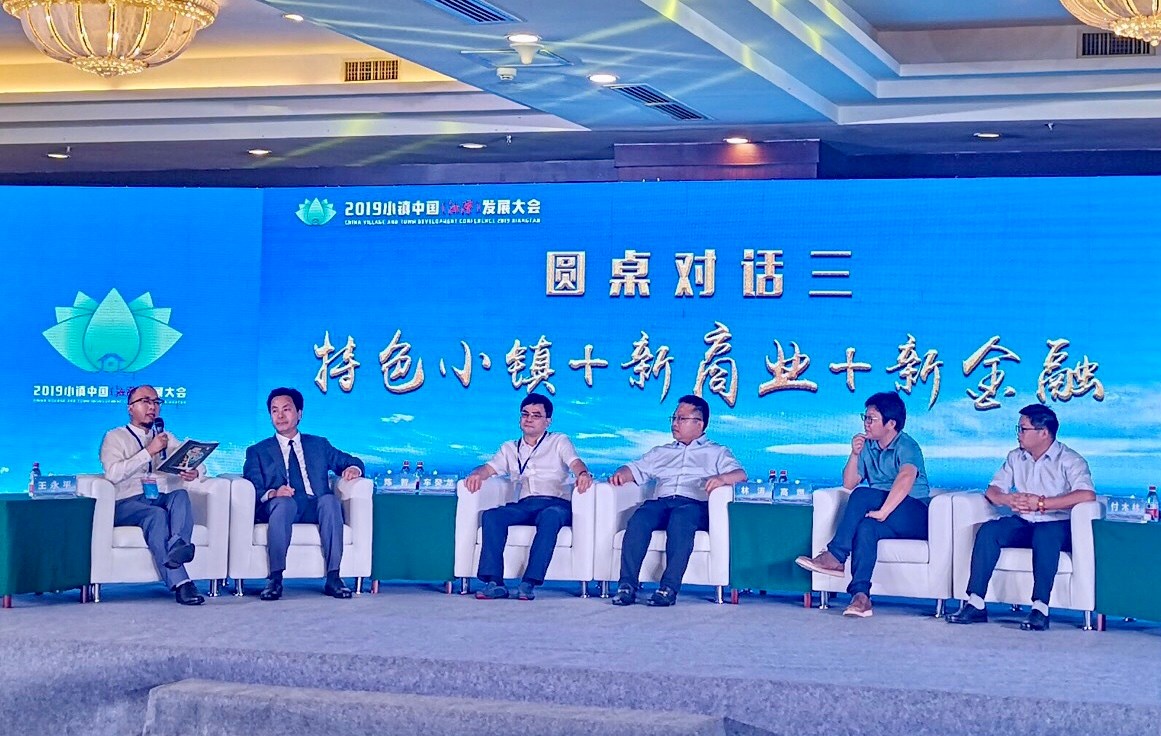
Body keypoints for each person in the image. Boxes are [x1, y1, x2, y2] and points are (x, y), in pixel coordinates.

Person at [946, 404, 1095, 631]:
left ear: (1043, 432)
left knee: (1045, 535)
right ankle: (975, 603)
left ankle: (1040, 609)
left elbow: (1086, 494)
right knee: (990, 531)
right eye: (1019, 428)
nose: (1018, 434)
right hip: (1025, 522)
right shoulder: (1015, 457)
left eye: (1023, 429)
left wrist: (1042, 503)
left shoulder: (1070, 459)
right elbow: (993, 490)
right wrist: (1007, 499)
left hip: (1057, 523)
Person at [795, 391, 930, 618]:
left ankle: (836, 556)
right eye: (865, 417)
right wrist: (855, 454)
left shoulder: (907, 445)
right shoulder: (868, 446)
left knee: (862, 496)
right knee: (866, 528)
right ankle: (861, 597)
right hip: (886, 514)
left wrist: (883, 511)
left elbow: (905, 478)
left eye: (871, 419)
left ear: (891, 424)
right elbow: (849, 483)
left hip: (914, 513)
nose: (866, 423)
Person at [609, 394, 745, 607]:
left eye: (681, 419)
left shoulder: (717, 452)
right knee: (640, 518)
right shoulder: (661, 451)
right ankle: (627, 586)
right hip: (662, 503)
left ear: (699, 423)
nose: (674, 423)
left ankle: (668, 588)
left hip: (694, 505)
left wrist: (721, 479)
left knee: (681, 518)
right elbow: (633, 469)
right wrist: (621, 473)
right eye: (674, 418)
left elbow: (740, 475)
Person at [465, 394, 593, 601]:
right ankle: (495, 582)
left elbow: (575, 462)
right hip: (526, 504)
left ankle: (528, 583)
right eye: (525, 414)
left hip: (556, 504)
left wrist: (583, 474)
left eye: (536, 415)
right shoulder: (509, 448)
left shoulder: (558, 441)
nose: (529, 419)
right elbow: (488, 468)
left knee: (551, 516)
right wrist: (477, 474)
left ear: (547, 421)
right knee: (492, 515)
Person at [242, 387, 364, 601]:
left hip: (313, 505)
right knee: (284, 503)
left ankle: (334, 577)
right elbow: (253, 487)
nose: (280, 416)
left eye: (286, 409)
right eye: (274, 411)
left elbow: (351, 461)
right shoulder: (257, 451)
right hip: (280, 506)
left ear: (299, 413)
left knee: (330, 501)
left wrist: (354, 469)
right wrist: (274, 493)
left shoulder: (319, 444)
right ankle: (275, 579)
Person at [99, 385, 205, 605]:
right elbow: (113, 474)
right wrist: (148, 452)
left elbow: (194, 461)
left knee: (180, 496)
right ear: (130, 408)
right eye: (146, 401)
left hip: (158, 497)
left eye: (156, 402)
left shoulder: (165, 437)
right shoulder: (114, 437)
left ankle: (178, 545)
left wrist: (194, 471)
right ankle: (182, 583)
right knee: (156, 515)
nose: (152, 407)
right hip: (127, 502)